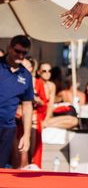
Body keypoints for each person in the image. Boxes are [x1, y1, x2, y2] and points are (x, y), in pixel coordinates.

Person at [0, 35, 34, 168]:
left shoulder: (26, 75)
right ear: (9, 48)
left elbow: (27, 106)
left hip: (7, 128)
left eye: (24, 53)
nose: (20, 55)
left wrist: (26, 135)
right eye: (17, 51)